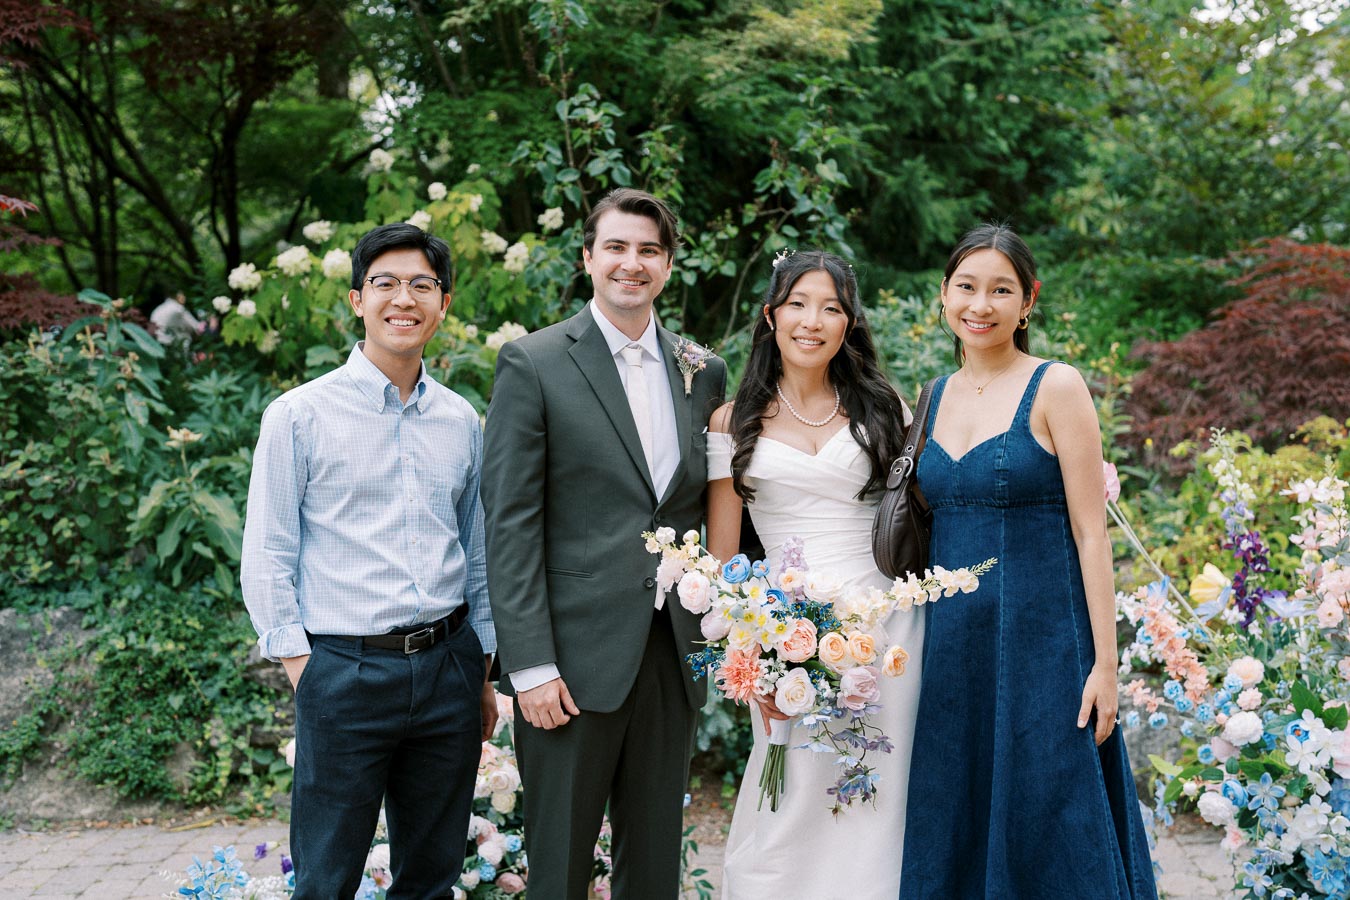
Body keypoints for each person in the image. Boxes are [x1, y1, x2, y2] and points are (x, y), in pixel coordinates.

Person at [481, 188, 727, 900]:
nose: (632, 263)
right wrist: (529, 664)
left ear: (669, 265)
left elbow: (700, 506)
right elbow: (510, 522)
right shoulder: (533, 363)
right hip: (569, 663)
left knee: (653, 868)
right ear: (589, 257)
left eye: (649, 250)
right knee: (557, 868)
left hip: (668, 653)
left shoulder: (701, 369)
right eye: (616, 247)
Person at [241, 222, 497, 900]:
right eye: (385, 284)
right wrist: (304, 668)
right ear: (358, 301)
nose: (403, 299)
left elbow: (477, 554)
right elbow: (268, 551)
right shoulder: (299, 415)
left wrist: (481, 665)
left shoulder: (461, 420)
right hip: (344, 672)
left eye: (421, 285)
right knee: (325, 880)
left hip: (447, 671)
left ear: (442, 304)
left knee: (432, 879)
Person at [900, 225, 1157, 898]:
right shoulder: (928, 397)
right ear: (944, 295)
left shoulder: (1056, 386)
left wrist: (1107, 665)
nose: (980, 305)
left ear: (1028, 301)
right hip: (952, 654)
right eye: (966, 287)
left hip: (1046, 649)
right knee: (956, 813)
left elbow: (1091, 533)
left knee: (1051, 817)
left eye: (1000, 290)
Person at [705, 250, 922, 900]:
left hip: (891, 629)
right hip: (787, 632)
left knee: (880, 796)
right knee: (793, 797)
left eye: (831, 306)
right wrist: (751, 652)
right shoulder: (732, 420)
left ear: (849, 321)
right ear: (771, 314)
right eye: (799, 303)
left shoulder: (885, 409)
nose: (813, 320)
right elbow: (723, 562)